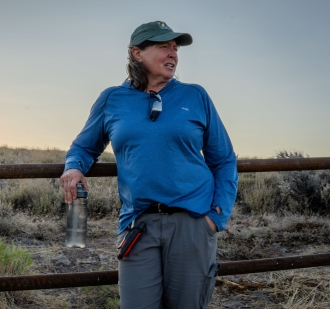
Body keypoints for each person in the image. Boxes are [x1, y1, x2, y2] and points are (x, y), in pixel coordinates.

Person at [60, 20, 238, 309]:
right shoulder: (112, 100)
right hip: (138, 224)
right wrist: (73, 166)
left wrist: (216, 217)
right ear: (137, 53)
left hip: (193, 223)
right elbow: (83, 146)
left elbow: (224, 160)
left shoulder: (195, 96)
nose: (173, 54)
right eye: (163, 46)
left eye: (175, 48)